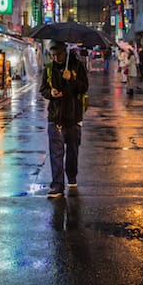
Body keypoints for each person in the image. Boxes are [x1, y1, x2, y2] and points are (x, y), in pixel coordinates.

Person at [40, 41, 89, 198]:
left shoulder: (77, 66)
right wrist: (51, 93)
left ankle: (72, 175)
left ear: (65, 53)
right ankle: (57, 186)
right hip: (55, 116)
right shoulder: (48, 69)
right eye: (52, 55)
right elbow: (43, 89)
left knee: (73, 150)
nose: (55, 58)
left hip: (73, 116)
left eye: (58, 55)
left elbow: (84, 87)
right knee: (56, 153)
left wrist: (72, 79)